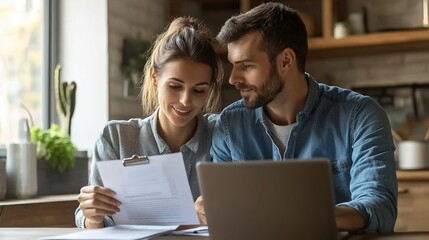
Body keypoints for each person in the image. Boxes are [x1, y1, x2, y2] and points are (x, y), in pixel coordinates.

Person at [195, 2, 397, 233]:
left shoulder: (359, 116)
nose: (233, 79)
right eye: (233, 66)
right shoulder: (231, 125)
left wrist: (291, 214)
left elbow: (379, 208)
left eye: (246, 66)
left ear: (286, 61)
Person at [75, 16, 223, 229]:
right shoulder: (116, 138)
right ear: (155, 78)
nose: (185, 101)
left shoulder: (223, 134)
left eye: (199, 90)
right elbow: (99, 223)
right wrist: (92, 216)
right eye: (175, 86)